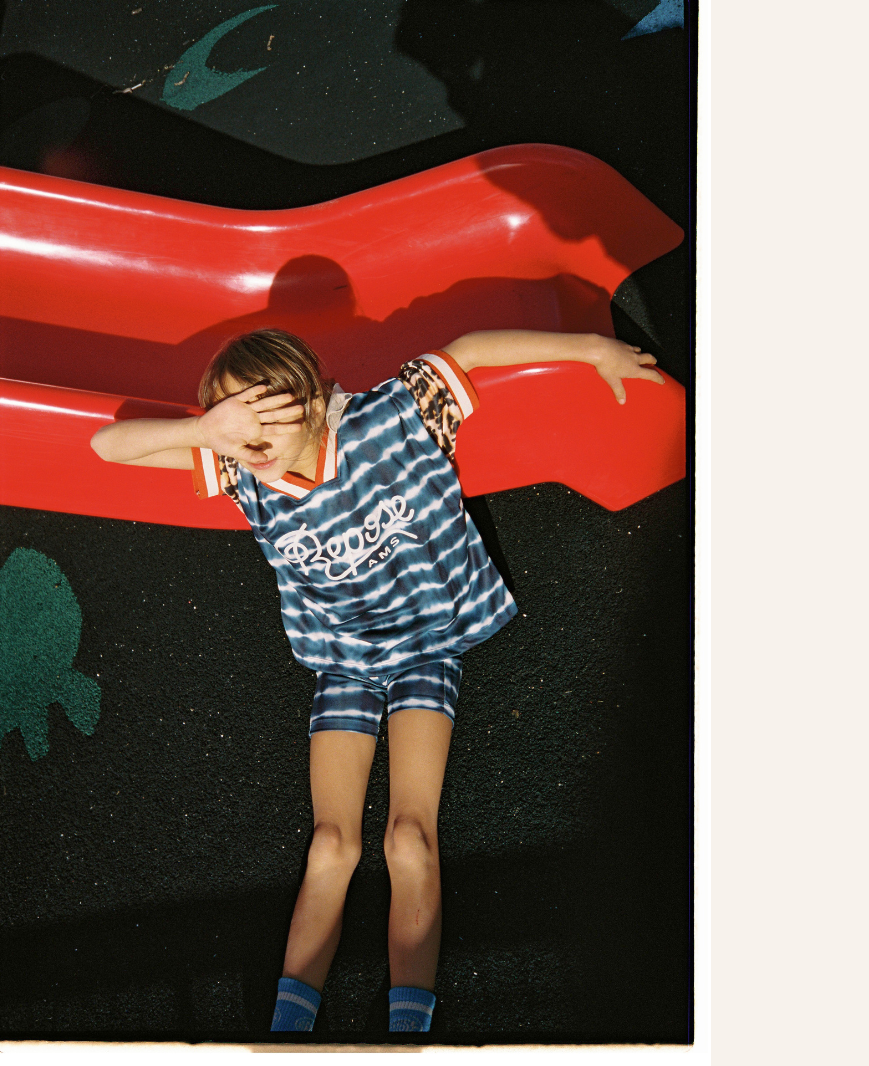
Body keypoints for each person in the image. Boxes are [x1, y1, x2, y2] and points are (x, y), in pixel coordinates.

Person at [90, 327, 663, 1034]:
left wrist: (593, 349)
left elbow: (469, 351)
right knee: (331, 846)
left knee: (408, 839)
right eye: (234, 421)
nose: (251, 438)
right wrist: (207, 432)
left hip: (427, 645)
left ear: (308, 399)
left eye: (262, 415)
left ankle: (407, 1035)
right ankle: (288, 1037)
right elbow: (106, 446)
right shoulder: (239, 467)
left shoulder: (395, 418)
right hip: (344, 660)